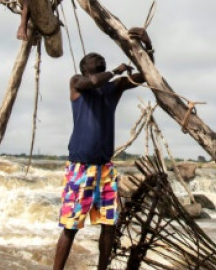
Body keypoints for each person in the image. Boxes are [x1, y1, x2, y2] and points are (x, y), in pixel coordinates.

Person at [52, 27, 154, 270]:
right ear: (84, 67)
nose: (100, 58)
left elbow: (147, 75)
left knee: (110, 224)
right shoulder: (77, 83)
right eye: (94, 58)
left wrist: (148, 48)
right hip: (81, 167)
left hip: (104, 168)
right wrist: (116, 70)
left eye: (102, 59)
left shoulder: (114, 86)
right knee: (71, 226)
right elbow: (95, 81)